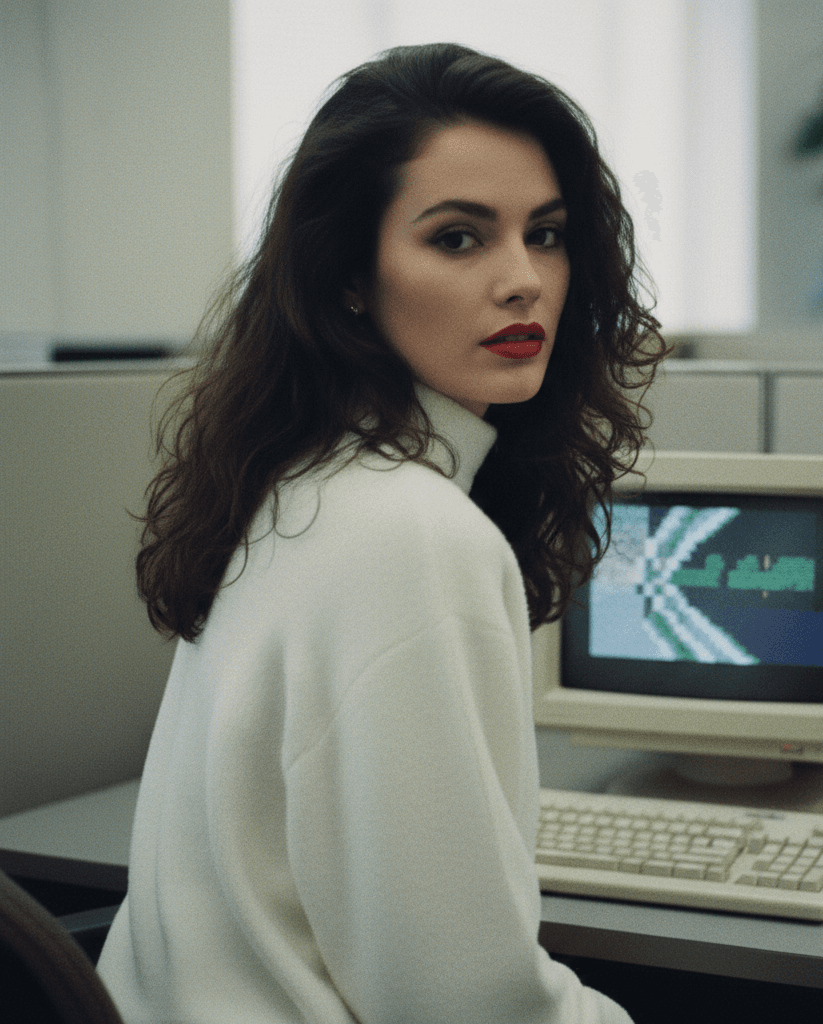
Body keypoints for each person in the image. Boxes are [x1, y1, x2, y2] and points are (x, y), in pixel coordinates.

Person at [97, 41, 666, 1023]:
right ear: (350, 275)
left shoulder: (299, 480)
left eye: (547, 234)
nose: (524, 278)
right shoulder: (411, 533)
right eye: (458, 238)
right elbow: (458, 1003)